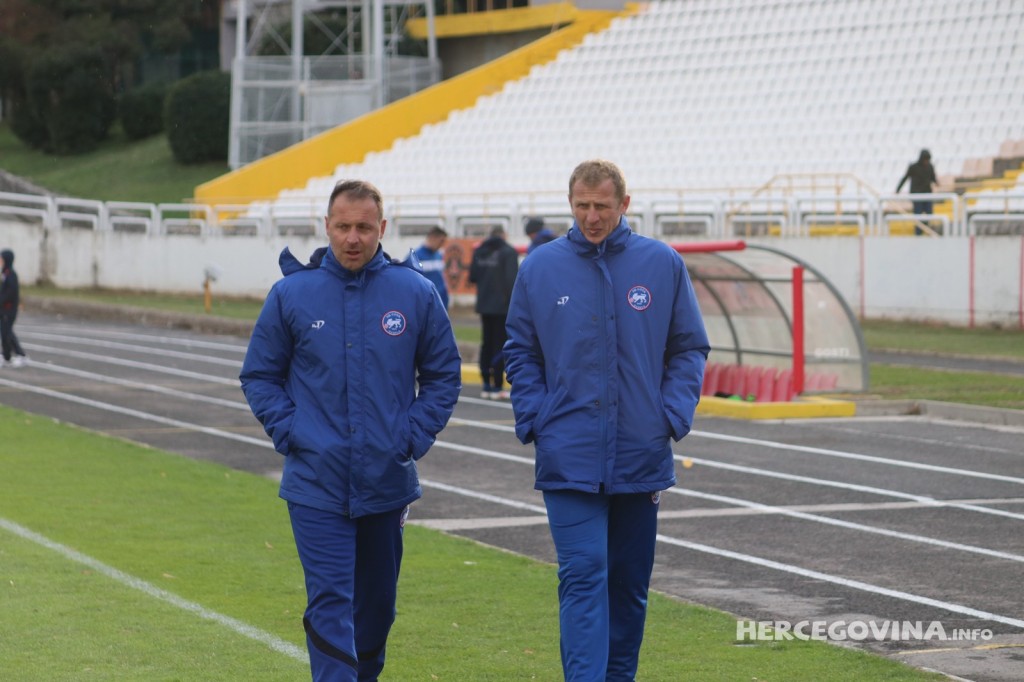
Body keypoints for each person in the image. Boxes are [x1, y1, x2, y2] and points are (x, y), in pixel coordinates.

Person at [239, 180, 462, 682]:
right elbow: (259, 375)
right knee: (330, 602)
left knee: (377, 611)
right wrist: (293, 432)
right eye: (343, 227)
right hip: (315, 483)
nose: (353, 238)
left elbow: (445, 375)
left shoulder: (415, 293)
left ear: (382, 229)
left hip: (387, 480)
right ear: (327, 227)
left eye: (364, 227)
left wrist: (410, 438)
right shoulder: (291, 294)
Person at [504, 159, 709, 681]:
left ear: (624, 204)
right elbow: (520, 352)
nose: (592, 217)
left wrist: (671, 414)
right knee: (583, 574)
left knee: (628, 585)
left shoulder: (662, 263)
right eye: (582, 206)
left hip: (641, 451)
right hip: (566, 452)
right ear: (570, 203)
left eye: (602, 206)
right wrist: (536, 416)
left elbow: (688, 347)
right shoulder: (539, 267)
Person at [469, 224, 519, 399]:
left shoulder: (480, 250)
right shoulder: (508, 252)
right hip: (502, 307)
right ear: (503, 235)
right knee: (500, 344)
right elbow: (512, 281)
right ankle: (497, 385)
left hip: (484, 305)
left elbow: (472, 277)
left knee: (486, 343)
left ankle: (485, 384)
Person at [895, 149, 939, 235]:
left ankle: (925, 229)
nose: (926, 162)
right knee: (917, 215)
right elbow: (905, 178)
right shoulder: (913, 167)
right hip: (917, 195)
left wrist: (937, 183)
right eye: (925, 160)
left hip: (927, 195)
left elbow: (933, 178)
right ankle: (918, 233)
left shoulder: (930, 167)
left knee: (929, 214)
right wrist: (898, 190)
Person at [0, 248, 27, 368]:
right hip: (4, 309)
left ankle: (21, 355)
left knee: (8, 332)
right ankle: (6, 356)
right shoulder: (5, 273)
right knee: (4, 333)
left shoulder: (11, 274)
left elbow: (10, 293)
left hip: (9, 309)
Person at [413, 226, 450, 309]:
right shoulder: (416, 256)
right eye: (441, 241)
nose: (442, 244)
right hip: (425, 304)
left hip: (440, 303)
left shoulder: (439, 255)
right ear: (432, 238)